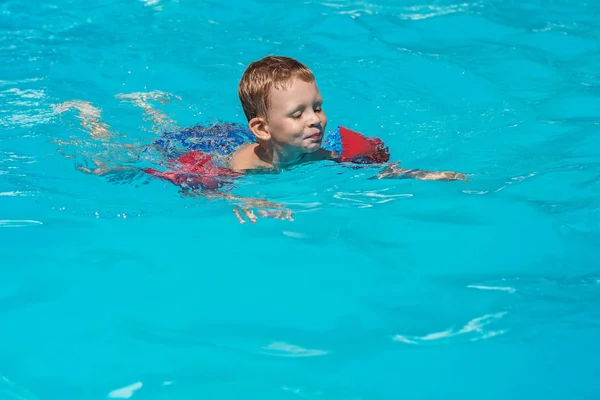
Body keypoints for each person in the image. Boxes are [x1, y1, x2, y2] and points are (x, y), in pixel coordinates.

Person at [54, 56, 467, 223]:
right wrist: (246, 199)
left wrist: (417, 175)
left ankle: (152, 107)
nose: (315, 121)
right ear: (264, 129)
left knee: (163, 129)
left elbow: (371, 169)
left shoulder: (319, 154)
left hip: (237, 133)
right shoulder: (246, 165)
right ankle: (89, 115)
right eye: (298, 113)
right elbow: (206, 188)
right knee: (128, 153)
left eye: (317, 107)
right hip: (208, 149)